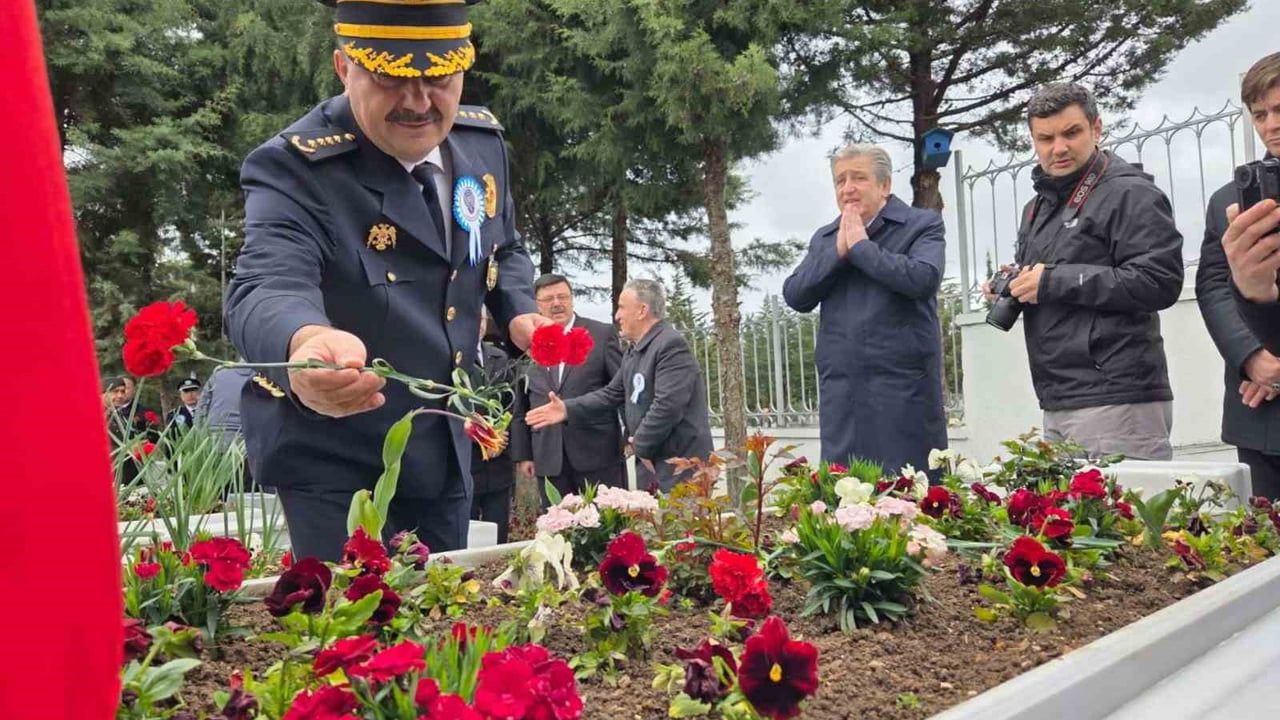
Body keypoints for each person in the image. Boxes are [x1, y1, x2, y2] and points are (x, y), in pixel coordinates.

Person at [224, 0, 546, 561]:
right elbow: (265, 283)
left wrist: (517, 306)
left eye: (439, 78)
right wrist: (303, 341)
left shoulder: (480, 144)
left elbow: (503, 245)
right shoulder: (297, 167)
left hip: (445, 445)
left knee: (445, 629)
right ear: (344, 67)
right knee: (353, 636)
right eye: (392, 78)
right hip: (339, 455)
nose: (419, 102)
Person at [981, 82, 1183, 460]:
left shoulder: (1130, 192)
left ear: (1097, 128)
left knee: (1122, 519)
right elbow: (1046, 278)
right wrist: (1013, 285)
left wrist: (1054, 280)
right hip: (1057, 396)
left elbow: (1160, 281)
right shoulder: (1037, 206)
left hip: (1118, 396)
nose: (1058, 148)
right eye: (1045, 138)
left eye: (1071, 133)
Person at [781, 144, 947, 474]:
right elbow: (796, 295)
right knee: (846, 500)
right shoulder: (827, 237)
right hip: (843, 396)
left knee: (909, 498)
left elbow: (923, 278)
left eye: (859, 178)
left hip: (902, 392)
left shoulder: (920, 225)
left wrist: (861, 248)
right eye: (840, 181)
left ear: (884, 185)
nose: (848, 188)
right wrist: (838, 251)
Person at [526, 279, 713, 492]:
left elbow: (667, 406)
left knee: (685, 525)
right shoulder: (636, 350)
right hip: (653, 462)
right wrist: (567, 409)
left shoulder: (670, 345)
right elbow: (612, 394)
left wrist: (639, 445)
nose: (617, 316)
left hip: (680, 465)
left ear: (642, 310)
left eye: (622, 307)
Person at [1197, 53, 1280, 498]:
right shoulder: (1230, 200)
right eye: (1260, 114)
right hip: (1258, 405)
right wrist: (1254, 358)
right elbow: (1212, 286)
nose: (1271, 124)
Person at [509, 273, 625, 504]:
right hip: (549, 458)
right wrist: (524, 455)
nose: (556, 303)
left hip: (597, 454)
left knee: (607, 527)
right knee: (558, 531)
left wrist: (633, 434)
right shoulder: (528, 342)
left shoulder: (601, 334)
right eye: (548, 299)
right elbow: (521, 404)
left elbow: (620, 388)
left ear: (572, 299)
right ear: (536, 306)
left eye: (562, 296)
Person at [470, 312, 519, 543]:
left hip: (498, 463)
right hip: (466, 464)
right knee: (465, 533)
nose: (477, 325)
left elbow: (511, 404)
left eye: (481, 320)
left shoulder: (499, 357)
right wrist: (482, 436)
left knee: (498, 532)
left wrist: (500, 435)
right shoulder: (449, 359)